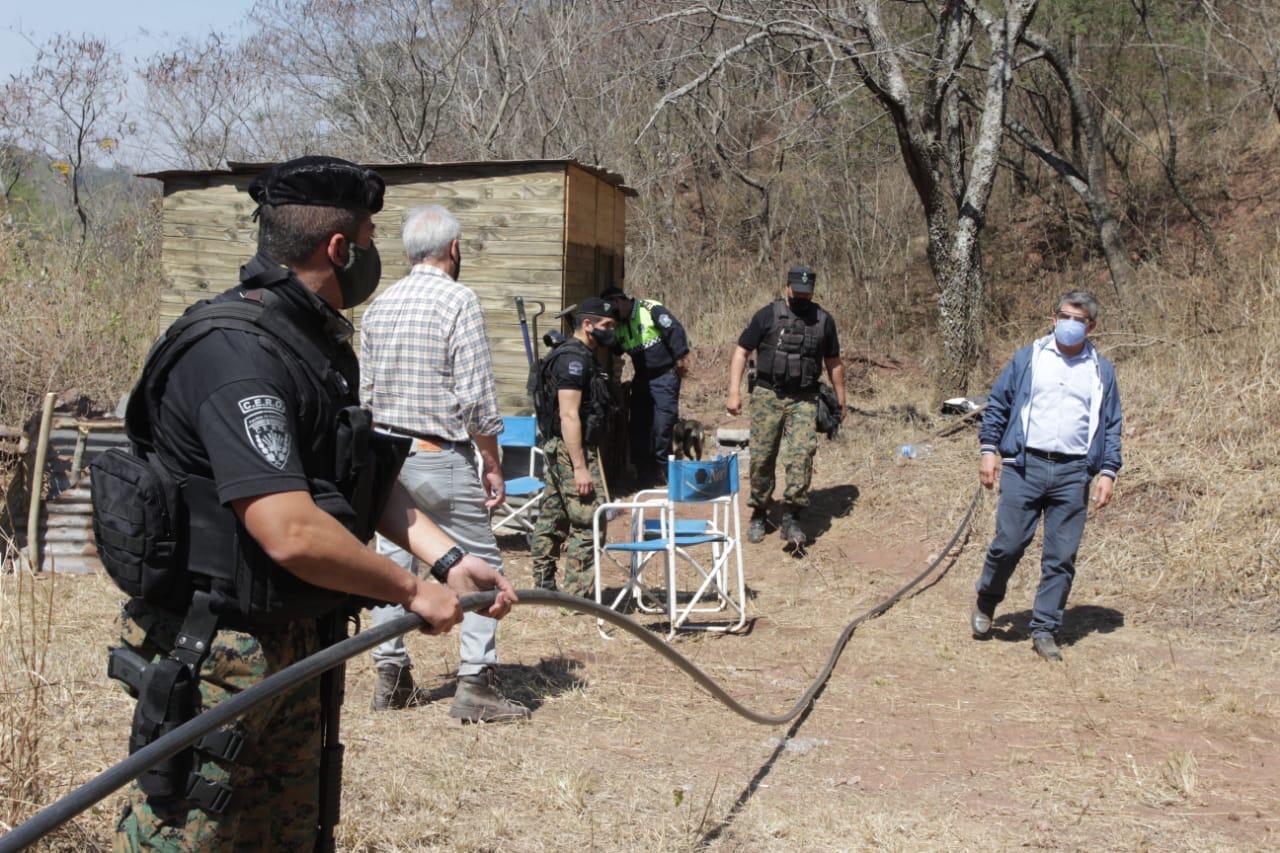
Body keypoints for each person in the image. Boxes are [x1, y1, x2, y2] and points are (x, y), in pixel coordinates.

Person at [108, 157, 516, 850]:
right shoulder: (236, 353)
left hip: (295, 639)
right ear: (339, 248)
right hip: (218, 653)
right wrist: (411, 590)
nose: (374, 252)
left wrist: (447, 558)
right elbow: (290, 528)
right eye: (369, 234)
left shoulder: (310, 343)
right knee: (187, 832)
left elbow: (356, 485)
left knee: (288, 834)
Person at [359, 205, 528, 721]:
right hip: (441, 453)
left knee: (392, 565)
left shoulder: (378, 307)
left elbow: (364, 392)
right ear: (453, 250)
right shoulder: (459, 301)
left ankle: (391, 673)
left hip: (385, 458)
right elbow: (475, 396)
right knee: (478, 563)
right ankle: (476, 682)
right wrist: (492, 459)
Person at [970, 290, 1123, 662]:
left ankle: (1044, 629)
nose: (1071, 324)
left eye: (1079, 320)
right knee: (1009, 543)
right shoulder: (1028, 359)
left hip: (1073, 473)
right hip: (1025, 465)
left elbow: (1111, 424)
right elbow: (999, 405)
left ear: (1091, 326)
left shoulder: (1101, 371)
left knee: (1060, 556)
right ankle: (987, 600)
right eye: (1064, 316)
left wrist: (1108, 471)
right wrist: (989, 449)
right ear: (1054, 319)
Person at [726, 266, 845, 547]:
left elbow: (834, 362)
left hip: (804, 398)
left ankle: (792, 515)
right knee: (762, 457)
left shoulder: (823, 320)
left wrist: (841, 399)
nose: (801, 296)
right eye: (797, 291)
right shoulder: (767, 315)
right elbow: (742, 351)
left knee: (801, 456)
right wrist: (734, 392)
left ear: (812, 292)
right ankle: (759, 510)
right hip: (768, 396)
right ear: (787, 288)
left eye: (807, 293)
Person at [530, 296, 619, 597]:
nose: (611, 331)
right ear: (587, 324)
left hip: (561, 447)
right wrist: (580, 467)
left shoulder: (581, 355)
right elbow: (569, 415)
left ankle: (543, 585)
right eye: (606, 325)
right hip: (572, 450)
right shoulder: (573, 360)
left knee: (554, 513)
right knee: (589, 520)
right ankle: (576, 596)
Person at [599, 286, 691, 487]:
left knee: (663, 427)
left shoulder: (649, 309)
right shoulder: (620, 325)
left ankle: (667, 475)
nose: (614, 316)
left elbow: (674, 330)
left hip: (664, 377)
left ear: (621, 300)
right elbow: (616, 348)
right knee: (639, 428)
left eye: (614, 310)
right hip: (642, 379)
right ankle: (644, 476)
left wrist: (680, 358)